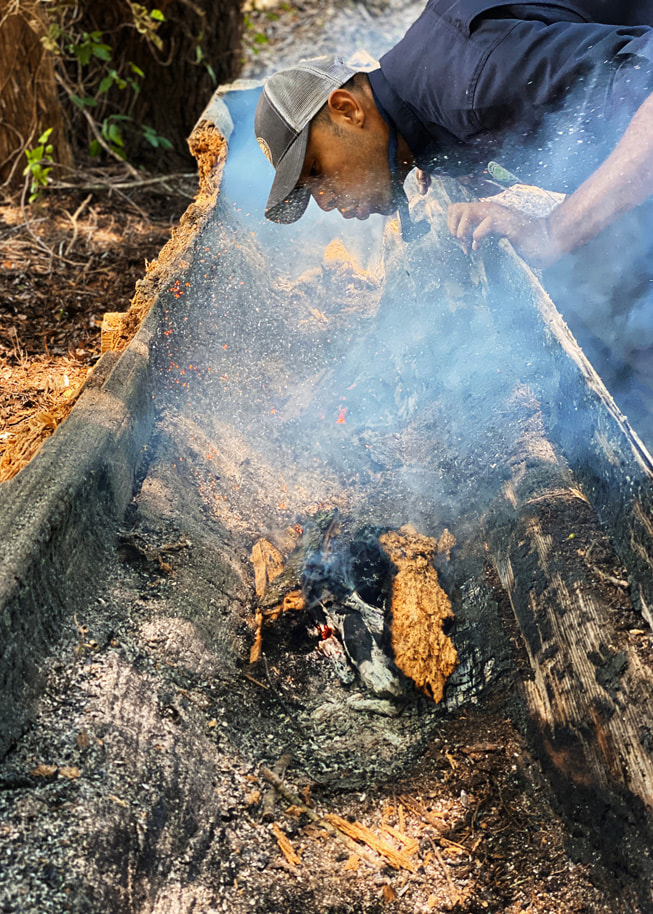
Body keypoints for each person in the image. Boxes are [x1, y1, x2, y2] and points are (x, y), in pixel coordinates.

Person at [254, 0, 653, 270]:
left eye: (317, 170)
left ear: (347, 109)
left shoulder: (472, 82)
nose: (324, 202)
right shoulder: (428, 99)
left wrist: (553, 232)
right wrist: (440, 153)